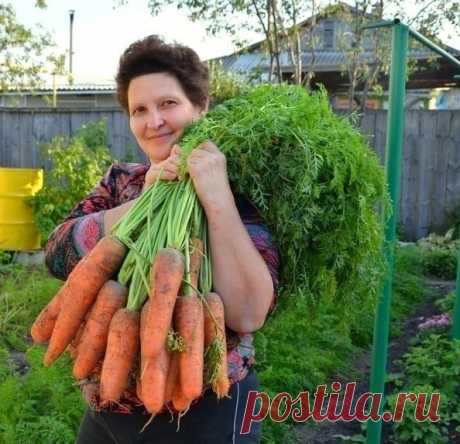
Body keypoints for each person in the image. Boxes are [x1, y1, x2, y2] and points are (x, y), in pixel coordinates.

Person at [44, 35, 280, 444]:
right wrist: (140, 204)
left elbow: (247, 314)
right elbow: (57, 254)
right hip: (108, 402)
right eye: (139, 110)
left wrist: (217, 195)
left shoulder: (243, 191)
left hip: (205, 406)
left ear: (200, 106)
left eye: (168, 104)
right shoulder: (121, 182)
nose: (154, 121)